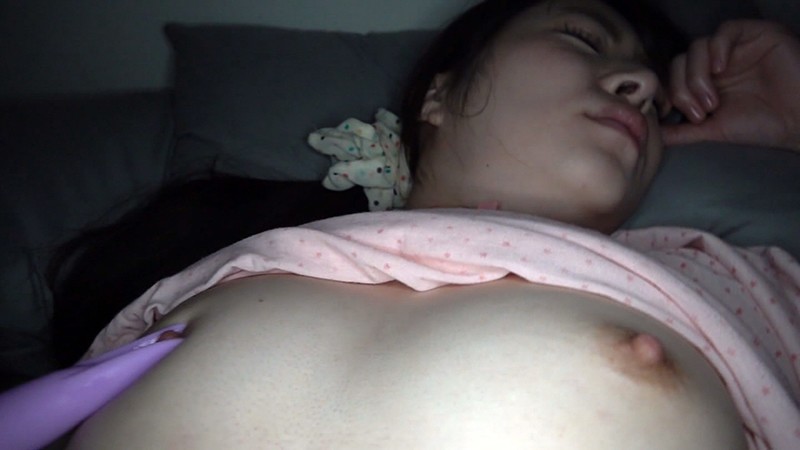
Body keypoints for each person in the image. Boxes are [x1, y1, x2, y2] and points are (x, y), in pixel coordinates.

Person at [3, 0, 799, 448]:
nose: (637, 85)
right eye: (584, 39)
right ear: (438, 96)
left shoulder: (719, 270)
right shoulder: (236, 253)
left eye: (656, 103)